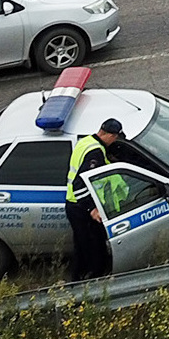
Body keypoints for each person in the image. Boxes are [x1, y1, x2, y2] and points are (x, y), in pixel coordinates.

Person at [65, 118, 124, 281]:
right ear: (109, 135)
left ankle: (78, 278)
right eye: (116, 137)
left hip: (74, 204)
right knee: (92, 246)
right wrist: (91, 208)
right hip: (81, 207)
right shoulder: (95, 152)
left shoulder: (87, 142)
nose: (115, 141)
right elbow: (79, 183)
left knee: (82, 245)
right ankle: (91, 280)